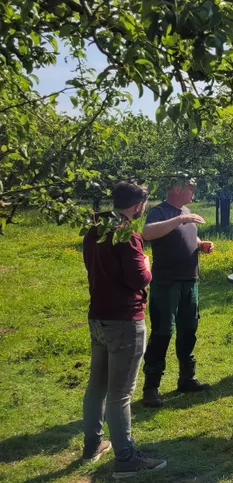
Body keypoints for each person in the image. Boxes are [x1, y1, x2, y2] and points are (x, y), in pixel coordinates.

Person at [82, 181, 167, 477]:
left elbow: (90, 266)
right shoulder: (126, 234)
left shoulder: (95, 228)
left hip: (98, 317)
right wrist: (146, 261)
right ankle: (126, 458)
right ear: (137, 206)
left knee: (97, 387)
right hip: (124, 321)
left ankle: (92, 445)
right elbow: (139, 279)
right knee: (120, 393)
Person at [141, 178, 213, 408]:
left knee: (189, 328)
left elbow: (186, 236)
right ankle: (151, 387)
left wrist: (201, 244)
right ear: (178, 189)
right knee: (163, 331)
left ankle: (187, 378)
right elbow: (148, 233)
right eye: (191, 188)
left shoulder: (187, 211)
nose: (194, 192)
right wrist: (181, 219)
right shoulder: (159, 212)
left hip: (190, 280)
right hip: (167, 282)